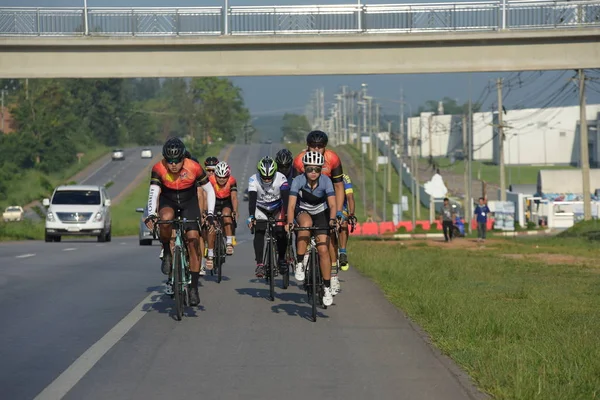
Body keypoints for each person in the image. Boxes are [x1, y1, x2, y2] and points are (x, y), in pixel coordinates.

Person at [145, 137, 215, 307]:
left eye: (177, 160)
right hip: (168, 201)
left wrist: (211, 214)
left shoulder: (194, 167)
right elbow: (153, 192)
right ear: (164, 159)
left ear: (184, 158)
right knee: (166, 219)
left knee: (192, 240)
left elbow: (209, 189)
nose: (173, 164)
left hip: (188, 202)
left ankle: (193, 288)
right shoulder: (158, 168)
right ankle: (168, 255)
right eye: (169, 160)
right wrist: (151, 214)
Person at [292, 130, 345, 282]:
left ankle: (333, 275)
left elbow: (339, 187)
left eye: (320, 146)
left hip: (327, 200)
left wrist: (339, 212)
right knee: (303, 228)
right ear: (307, 146)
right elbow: (295, 189)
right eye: (313, 146)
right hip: (305, 202)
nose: (316, 149)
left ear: (325, 147)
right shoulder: (299, 160)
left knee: (330, 237)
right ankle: (303, 255)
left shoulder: (333, 158)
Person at [286, 151, 337, 307]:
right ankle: (300, 262)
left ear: (321, 169)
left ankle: (327, 287)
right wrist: (289, 222)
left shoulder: (326, 181)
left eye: (317, 169)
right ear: (304, 169)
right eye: (310, 169)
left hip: (321, 211)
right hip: (303, 210)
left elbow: (333, 204)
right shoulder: (298, 181)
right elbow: (292, 205)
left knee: (323, 250)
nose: (313, 172)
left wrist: (333, 219)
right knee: (305, 224)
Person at [247, 156, 290, 278]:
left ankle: (281, 259)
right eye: (264, 177)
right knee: (259, 231)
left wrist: (286, 216)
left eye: (269, 177)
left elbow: (286, 199)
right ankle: (260, 264)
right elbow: (252, 200)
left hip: (277, 207)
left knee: (281, 232)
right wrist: (251, 217)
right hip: (261, 208)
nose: (266, 180)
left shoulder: (282, 178)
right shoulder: (253, 179)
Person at [208, 161, 238, 266]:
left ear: (228, 176)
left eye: (224, 177)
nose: (221, 179)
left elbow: (234, 197)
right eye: (219, 177)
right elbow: (205, 196)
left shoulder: (232, 181)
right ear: (215, 175)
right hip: (214, 202)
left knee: (226, 215)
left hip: (226, 202)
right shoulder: (210, 180)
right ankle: (210, 254)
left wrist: (235, 211)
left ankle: (229, 242)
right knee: (212, 226)